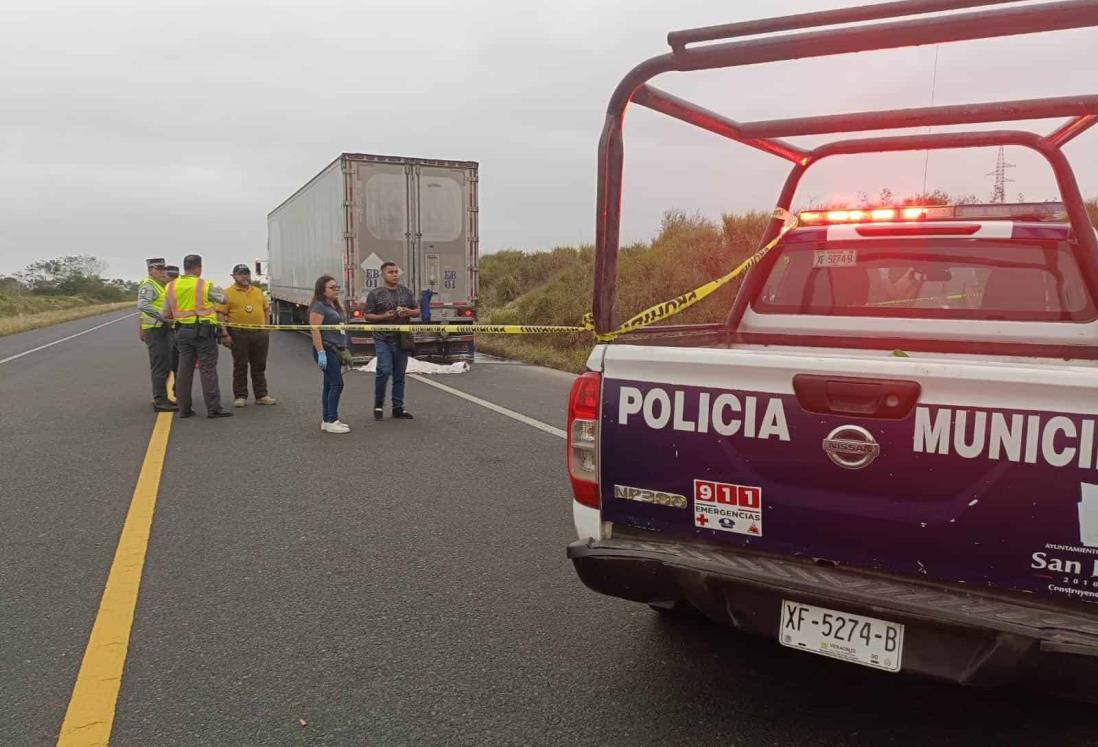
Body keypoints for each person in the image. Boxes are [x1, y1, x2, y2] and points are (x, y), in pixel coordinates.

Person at [163, 254, 232, 419]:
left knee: (184, 370)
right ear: (198, 268)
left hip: (182, 332)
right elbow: (224, 299)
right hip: (203, 333)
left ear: (185, 267)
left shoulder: (171, 286)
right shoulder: (204, 285)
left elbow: (166, 314)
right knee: (207, 369)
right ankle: (213, 408)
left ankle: (184, 409)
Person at [363, 261, 418, 420]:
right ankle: (379, 403)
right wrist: (383, 317)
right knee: (384, 370)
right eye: (391, 272)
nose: (395, 274)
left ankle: (398, 407)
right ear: (383, 275)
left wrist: (408, 311)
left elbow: (417, 311)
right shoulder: (375, 294)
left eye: (396, 271)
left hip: (402, 338)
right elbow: (367, 315)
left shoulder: (406, 292)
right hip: (383, 338)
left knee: (399, 374)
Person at [218, 263, 276, 408]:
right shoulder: (227, 293)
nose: (245, 276)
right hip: (238, 334)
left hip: (259, 335)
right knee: (240, 365)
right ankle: (240, 396)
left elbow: (266, 310)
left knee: (259, 366)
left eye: (247, 273)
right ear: (234, 276)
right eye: (241, 273)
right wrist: (225, 334)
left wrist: (266, 328)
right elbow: (220, 314)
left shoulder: (257, 291)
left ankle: (261, 395)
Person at [309, 275, 352, 433]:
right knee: (337, 383)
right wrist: (321, 352)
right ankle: (332, 420)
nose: (335, 290)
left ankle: (327, 419)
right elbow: (315, 330)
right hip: (326, 348)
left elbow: (340, 328)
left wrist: (344, 349)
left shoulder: (334, 305)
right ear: (322, 290)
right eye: (331, 288)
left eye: (337, 287)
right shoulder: (319, 306)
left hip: (336, 348)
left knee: (328, 384)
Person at [135, 258, 178, 412]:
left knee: (165, 364)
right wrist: (163, 316)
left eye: (163, 268)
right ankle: (160, 401)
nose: (162, 271)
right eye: (158, 268)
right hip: (155, 328)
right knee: (160, 365)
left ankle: (162, 398)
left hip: (163, 328)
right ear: (150, 269)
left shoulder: (160, 285)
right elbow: (143, 304)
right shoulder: (148, 284)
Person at [164, 265, 180, 377]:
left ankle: (177, 388)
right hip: (187, 326)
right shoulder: (185, 286)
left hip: (174, 327)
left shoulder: (169, 288)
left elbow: (166, 312)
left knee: (175, 359)